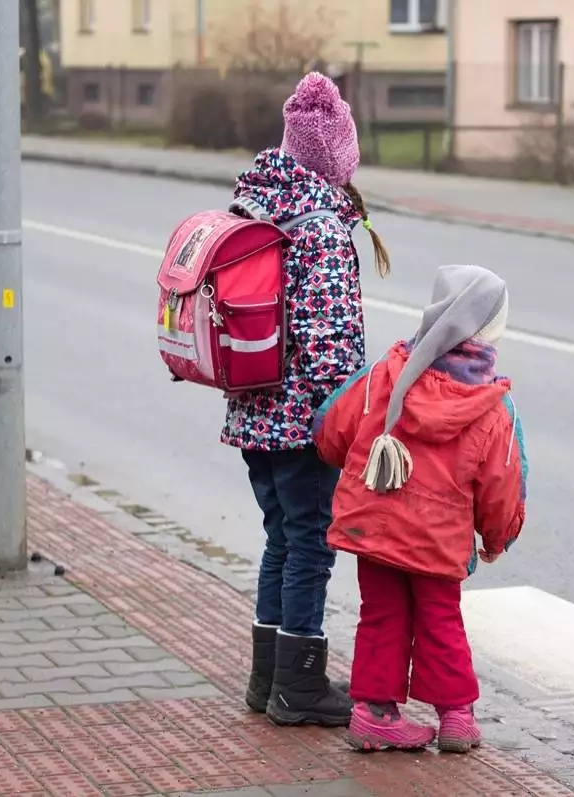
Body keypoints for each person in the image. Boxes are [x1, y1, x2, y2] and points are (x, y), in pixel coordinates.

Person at [227, 71, 390, 728]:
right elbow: (328, 339)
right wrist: (352, 416)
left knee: (280, 538)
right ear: (336, 156)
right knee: (311, 546)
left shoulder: (260, 204)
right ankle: (299, 686)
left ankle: (266, 678)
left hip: (251, 410)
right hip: (301, 420)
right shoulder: (320, 225)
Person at [313, 265, 528, 753]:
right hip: (439, 540)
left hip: (376, 527)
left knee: (381, 615)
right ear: (492, 328)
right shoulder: (492, 406)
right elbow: (501, 487)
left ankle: (374, 713)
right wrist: (497, 538)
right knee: (441, 620)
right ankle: (455, 718)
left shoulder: (385, 376)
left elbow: (333, 431)